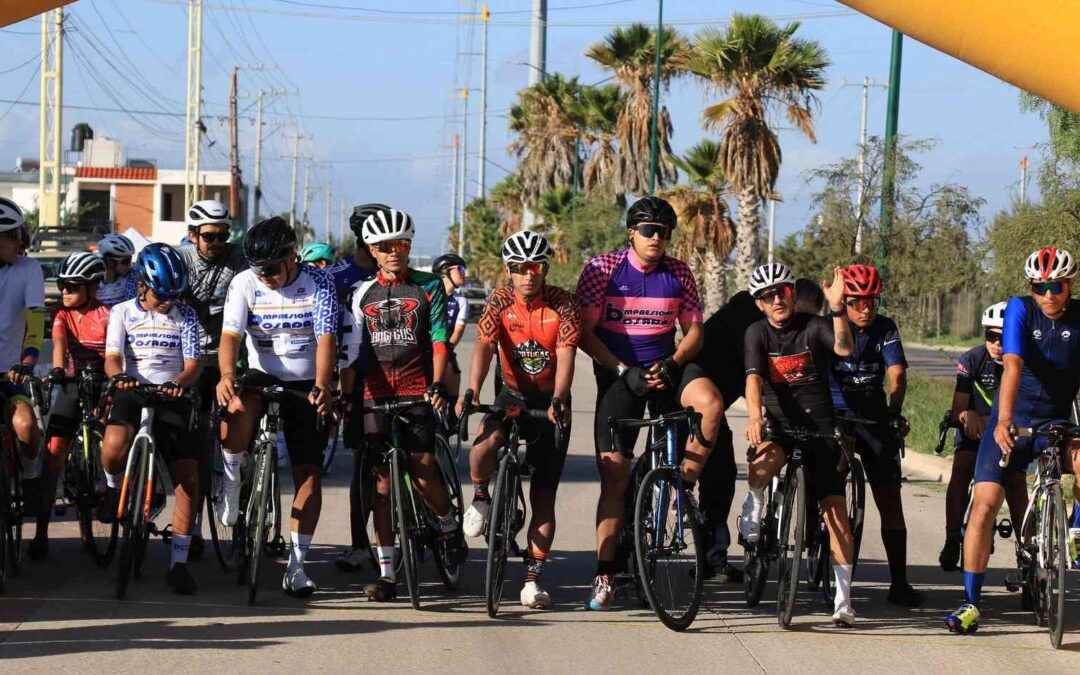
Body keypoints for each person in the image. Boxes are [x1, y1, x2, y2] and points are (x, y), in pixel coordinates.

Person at [576, 196, 724, 611]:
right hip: (618, 372)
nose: (656, 238)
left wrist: (673, 362)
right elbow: (586, 333)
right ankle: (605, 574)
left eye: (663, 232)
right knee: (615, 477)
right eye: (648, 230)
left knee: (710, 404)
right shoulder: (602, 269)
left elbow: (694, 333)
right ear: (631, 233)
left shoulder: (678, 272)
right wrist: (625, 369)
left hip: (668, 366)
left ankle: (683, 490)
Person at [946, 247, 1080, 635]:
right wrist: (1002, 420)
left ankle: (1074, 530)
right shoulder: (1022, 309)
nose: (1048, 295)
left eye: (1056, 286)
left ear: (1069, 285)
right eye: (1040, 287)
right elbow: (1014, 364)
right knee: (985, 506)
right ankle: (971, 602)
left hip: (1057, 422)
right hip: (1013, 422)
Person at [338, 208, 466, 602]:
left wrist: (438, 385)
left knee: (423, 467)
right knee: (380, 485)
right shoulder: (361, 293)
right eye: (385, 247)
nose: (395, 252)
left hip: (417, 388)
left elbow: (440, 340)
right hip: (375, 393)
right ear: (372, 251)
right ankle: (388, 574)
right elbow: (350, 351)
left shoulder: (430, 287)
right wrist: (346, 395)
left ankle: (447, 526)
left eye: (402, 245)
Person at [216, 217, 338, 597]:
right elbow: (231, 335)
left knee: (308, 474)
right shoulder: (245, 282)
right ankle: (233, 479)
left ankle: (297, 566)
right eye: (258, 269)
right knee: (235, 407)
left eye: (271, 268)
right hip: (260, 373)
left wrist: (322, 385)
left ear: (292, 257)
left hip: (305, 382)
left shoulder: (319, 283)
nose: (264, 276)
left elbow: (326, 338)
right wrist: (224, 375)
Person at [456, 231, 578, 609]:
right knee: (483, 445)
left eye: (536, 267)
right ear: (509, 270)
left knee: (544, 495)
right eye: (520, 269)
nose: (529, 276)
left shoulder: (563, 304)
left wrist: (559, 399)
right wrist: (473, 390)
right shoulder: (499, 299)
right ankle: (479, 497)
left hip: (550, 401)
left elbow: (567, 354)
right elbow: (485, 346)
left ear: (545, 268)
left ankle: (532, 580)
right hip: (511, 393)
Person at [739, 262, 859, 627]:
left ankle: (843, 601)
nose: (777, 299)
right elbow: (754, 379)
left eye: (783, 292)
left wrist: (837, 308)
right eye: (768, 295)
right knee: (760, 467)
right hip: (779, 425)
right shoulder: (756, 333)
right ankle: (756, 502)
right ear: (759, 303)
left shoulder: (814, 326)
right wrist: (755, 417)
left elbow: (843, 349)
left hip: (820, 427)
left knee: (836, 514)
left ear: (793, 294)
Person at [99, 243, 203, 594]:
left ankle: (179, 562)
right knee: (112, 447)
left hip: (171, 395)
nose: (168, 301)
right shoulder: (122, 312)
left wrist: (178, 383)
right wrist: (118, 378)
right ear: (143, 284)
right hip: (132, 389)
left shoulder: (185, 315)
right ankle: (115, 491)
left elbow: (192, 365)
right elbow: (112, 358)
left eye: (174, 294)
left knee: (188, 477)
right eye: (161, 294)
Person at [827, 264, 922, 607]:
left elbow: (897, 374)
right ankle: (819, 564)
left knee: (889, 499)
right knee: (825, 491)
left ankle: (899, 583)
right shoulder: (830, 325)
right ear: (844, 300)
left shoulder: (885, 328)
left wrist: (895, 412)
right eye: (857, 302)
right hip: (835, 415)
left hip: (873, 416)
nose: (865, 308)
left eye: (872, 301)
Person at [178, 199, 247, 558]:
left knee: (235, 423)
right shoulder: (180, 259)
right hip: (190, 359)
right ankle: (191, 528)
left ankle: (241, 479)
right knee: (192, 448)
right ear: (193, 235)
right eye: (208, 236)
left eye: (223, 235)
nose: (217, 242)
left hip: (228, 356)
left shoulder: (240, 258)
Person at [30, 253, 110, 560]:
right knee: (53, 455)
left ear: (93, 287)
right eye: (62, 285)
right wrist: (60, 370)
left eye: (73, 287)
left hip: (102, 383)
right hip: (71, 383)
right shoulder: (61, 313)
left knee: (113, 443)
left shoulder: (109, 314)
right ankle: (40, 531)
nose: (65, 291)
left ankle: (108, 488)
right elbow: (59, 343)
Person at [938, 302, 1028, 572]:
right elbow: (958, 408)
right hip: (974, 433)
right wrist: (966, 415)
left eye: (1004, 337)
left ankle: (1028, 552)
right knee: (962, 468)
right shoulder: (971, 360)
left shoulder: (1025, 362)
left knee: (1016, 483)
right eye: (991, 336)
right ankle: (952, 537)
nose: (997, 343)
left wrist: (990, 419)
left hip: (1009, 433)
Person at [694, 289, 763, 582]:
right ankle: (625, 552)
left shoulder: (755, 315)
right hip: (691, 395)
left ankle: (711, 559)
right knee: (659, 470)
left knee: (720, 475)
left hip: (716, 408)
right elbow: (756, 375)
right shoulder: (749, 321)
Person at [329, 204, 382, 573]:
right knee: (364, 465)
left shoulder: (401, 274)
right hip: (358, 379)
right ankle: (360, 544)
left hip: (406, 377)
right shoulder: (336, 277)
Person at [0, 198, 45, 520]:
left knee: (27, 426)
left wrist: (28, 360)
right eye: (14, 237)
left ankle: (30, 477)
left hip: (9, 375)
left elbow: (35, 321)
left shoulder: (29, 269)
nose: (21, 243)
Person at [433, 252, 469, 428]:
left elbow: (459, 330)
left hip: (445, 347)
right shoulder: (429, 295)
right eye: (460, 269)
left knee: (454, 371)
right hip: (423, 348)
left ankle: (452, 416)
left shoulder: (460, 300)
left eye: (464, 269)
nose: (464, 273)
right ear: (445, 272)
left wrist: (447, 348)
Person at [96, 233, 138, 307]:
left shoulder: (132, 276)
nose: (129, 265)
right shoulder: (94, 282)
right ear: (110, 261)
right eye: (125, 261)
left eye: (130, 260)